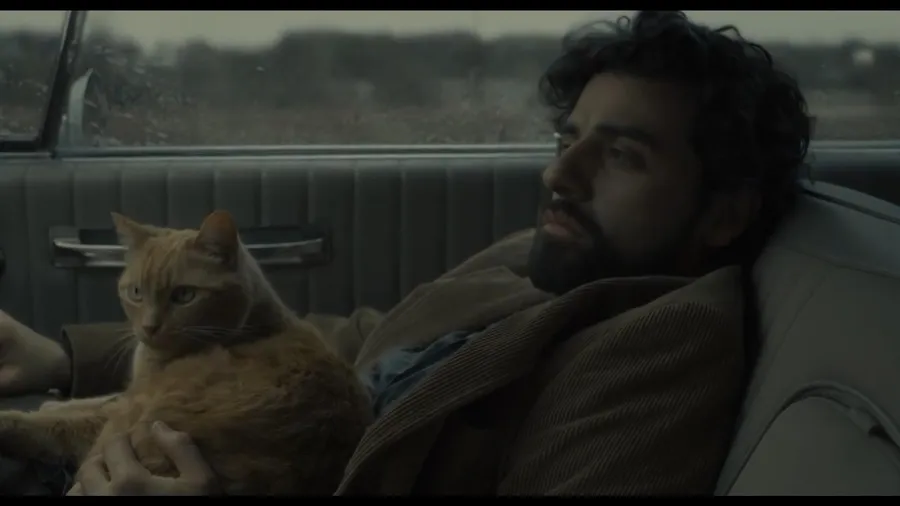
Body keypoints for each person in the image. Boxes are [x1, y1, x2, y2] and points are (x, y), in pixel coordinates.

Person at [0, 10, 811, 496]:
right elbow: (363, 337)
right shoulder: (536, 258)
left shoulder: (668, 346)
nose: (559, 175)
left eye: (622, 155)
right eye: (569, 141)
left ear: (725, 212)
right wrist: (64, 358)